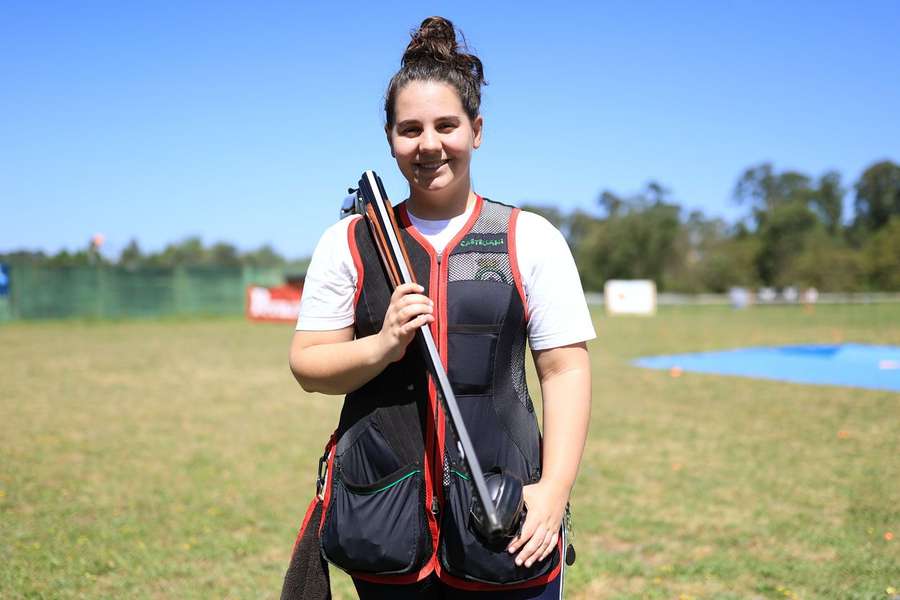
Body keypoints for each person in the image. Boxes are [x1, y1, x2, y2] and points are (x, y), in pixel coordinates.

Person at [289, 16, 594, 599]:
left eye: (446, 125)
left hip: (505, 519)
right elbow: (307, 365)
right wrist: (383, 345)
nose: (429, 144)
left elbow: (565, 368)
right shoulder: (350, 241)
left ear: (477, 130)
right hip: (385, 520)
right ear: (390, 138)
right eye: (410, 129)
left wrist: (554, 491)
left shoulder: (527, 237)